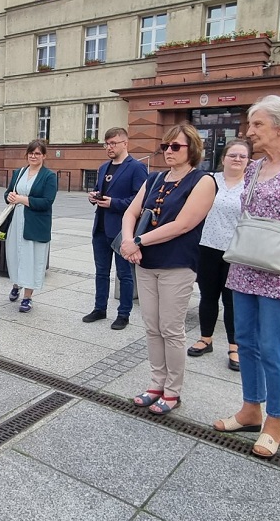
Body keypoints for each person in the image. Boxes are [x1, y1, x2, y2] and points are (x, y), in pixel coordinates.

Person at [214, 95, 280, 459]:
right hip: (245, 264)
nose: (249, 132)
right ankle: (250, 409)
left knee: (274, 348)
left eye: (258, 125)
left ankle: (274, 420)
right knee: (245, 340)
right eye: (250, 124)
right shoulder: (254, 167)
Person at [119, 123, 216, 415]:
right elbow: (131, 211)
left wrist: (137, 240)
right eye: (166, 146)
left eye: (176, 146)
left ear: (193, 149)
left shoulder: (203, 181)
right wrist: (127, 241)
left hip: (177, 263)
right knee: (152, 327)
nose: (169, 151)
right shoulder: (155, 178)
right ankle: (156, 383)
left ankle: (173, 390)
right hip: (146, 262)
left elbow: (183, 224)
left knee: (171, 329)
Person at [188, 138, 252, 371]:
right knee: (208, 295)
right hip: (207, 246)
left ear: (248, 161)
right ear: (223, 158)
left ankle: (235, 346)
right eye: (232, 155)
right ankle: (206, 338)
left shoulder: (252, 185)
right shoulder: (209, 181)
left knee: (232, 300)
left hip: (237, 250)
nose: (237, 159)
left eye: (242, 156)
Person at [84, 127, 149, 330]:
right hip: (101, 227)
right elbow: (104, 192)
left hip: (122, 230)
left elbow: (140, 200)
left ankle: (124, 314)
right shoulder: (104, 167)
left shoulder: (136, 168)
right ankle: (100, 308)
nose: (109, 147)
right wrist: (95, 197)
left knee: (124, 274)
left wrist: (114, 203)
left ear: (125, 143)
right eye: (107, 144)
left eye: (113, 143)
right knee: (101, 272)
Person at [4, 139, 58, 313]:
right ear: (26, 154)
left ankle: (27, 297)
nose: (33, 156)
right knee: (16, 256)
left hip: (35, 224)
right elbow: (8, 193)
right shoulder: (19, 172)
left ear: (44, 156)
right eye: (31, 153)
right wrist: (10, 197)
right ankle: (17, 284)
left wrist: (22, 199)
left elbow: (47, 202)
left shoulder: (49, 176)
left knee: (32, 259)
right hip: (17, 221)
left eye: (37, 153)